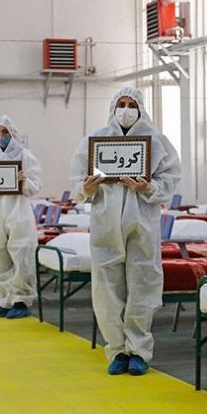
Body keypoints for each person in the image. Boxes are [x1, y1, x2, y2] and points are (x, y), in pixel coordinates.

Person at [69, 87, 182, 376]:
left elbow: (170, 179)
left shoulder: (157, 143)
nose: (126, 109)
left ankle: (138, 350)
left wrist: (148, 187)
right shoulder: (94, 142)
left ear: (141, 109)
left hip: (142, 224)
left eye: (132, 104)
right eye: (122, 103)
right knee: (106, 288)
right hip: (105, 225)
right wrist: (86, 188)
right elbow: (76, 182)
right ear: (113, 107)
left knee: (142, 284)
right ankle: (117, 349)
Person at [0, 116, 41, 319]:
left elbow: (35, 186)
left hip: (18, 212)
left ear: (13, 134)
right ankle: (4, 298)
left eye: (5, 132)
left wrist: (24, 181)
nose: (1, 136)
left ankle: (21, 300)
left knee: (22, 255)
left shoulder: (25, 156)